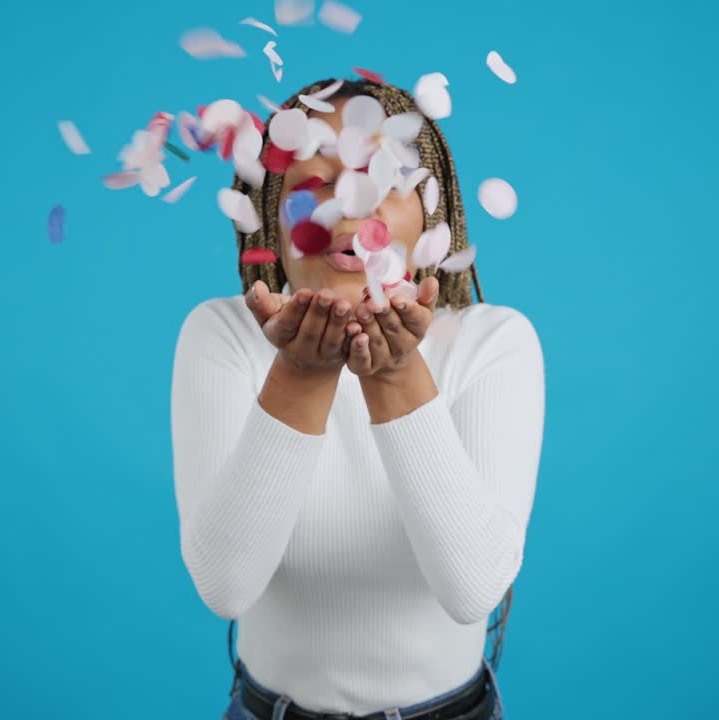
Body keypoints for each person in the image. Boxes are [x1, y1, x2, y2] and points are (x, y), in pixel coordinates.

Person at [170, 77, 545, 720]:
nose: (349, 205)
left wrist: (394, 374)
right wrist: (301, 375)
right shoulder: (223, 334)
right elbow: (226, 587)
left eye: (384, 177)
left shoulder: (493, 342)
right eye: (314, 182)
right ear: (270, 216)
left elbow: (473, 590)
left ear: (430, 214)